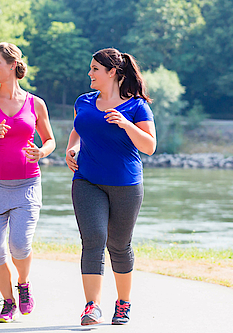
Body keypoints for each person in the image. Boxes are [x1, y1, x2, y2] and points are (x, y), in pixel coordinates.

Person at [65, 48, 157, 326]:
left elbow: (149, 147)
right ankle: (91, 307)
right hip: (86, 180)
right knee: (92, 241)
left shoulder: (136, 106)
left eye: (95, 69)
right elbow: (79, 129)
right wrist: (72, 148)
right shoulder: (83, 101)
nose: (90, 73)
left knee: (119, 245)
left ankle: (123, 302)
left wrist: (127, 124)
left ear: (112, 72)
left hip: (125, 185)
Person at [0, 42, 56, 323]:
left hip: (27, 185)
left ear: (12, 65)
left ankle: (23, 284)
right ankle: (7, 302)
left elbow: (50, 140)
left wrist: (42, 152)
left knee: (20, 245)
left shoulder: (35, 103)